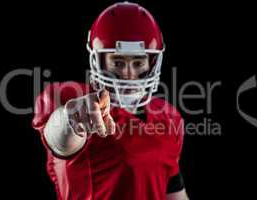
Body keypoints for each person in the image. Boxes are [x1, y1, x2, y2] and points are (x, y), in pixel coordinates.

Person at [32, 2, 189, 200]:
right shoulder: (74, 98)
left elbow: (173, 190)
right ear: (100, 60)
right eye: (118, 62)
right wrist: (70, 120)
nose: (128, 74)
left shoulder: (169, 116)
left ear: (151, 63)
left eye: (138, 62)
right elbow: (58, 141)